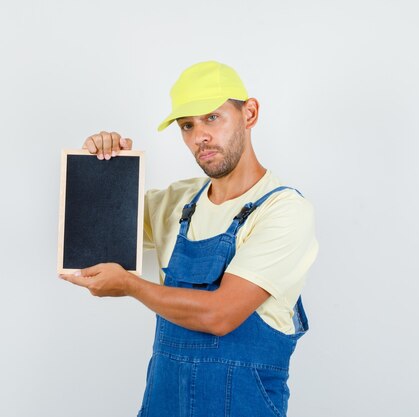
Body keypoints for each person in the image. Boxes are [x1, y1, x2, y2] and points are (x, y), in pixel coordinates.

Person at [60, 61, 318, 417]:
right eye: (187, 126)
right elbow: (89, 229)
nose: (200, 137)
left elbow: (221, 314)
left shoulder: (283, 210)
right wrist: (103, 164)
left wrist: (132, 286)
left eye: (212, 118)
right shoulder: (177, 203)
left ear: (250, 113)